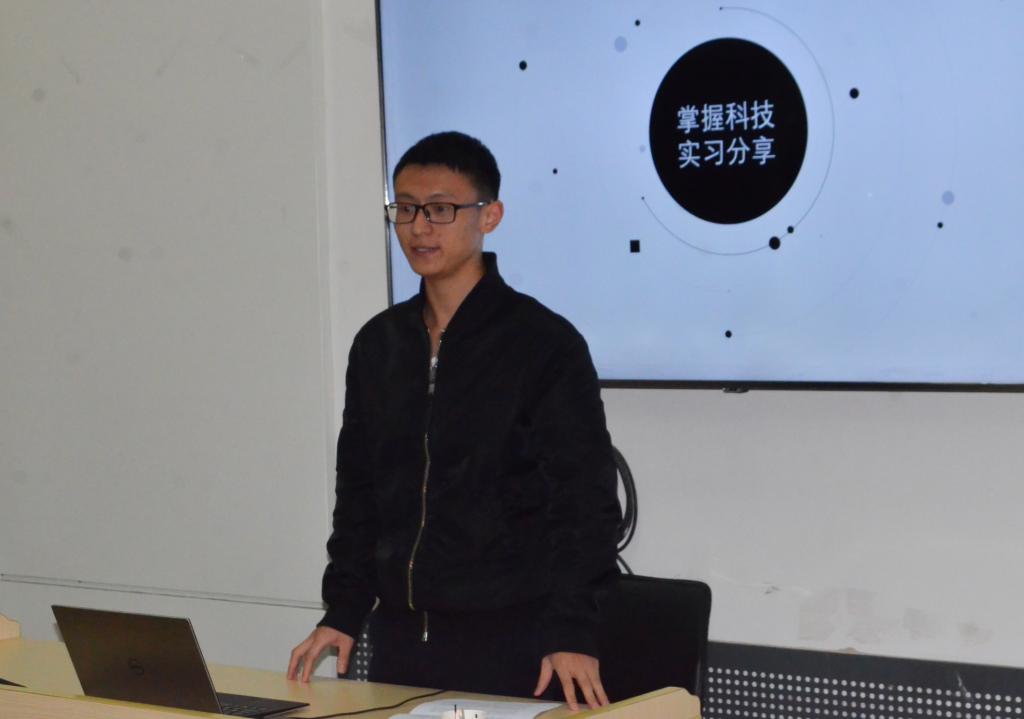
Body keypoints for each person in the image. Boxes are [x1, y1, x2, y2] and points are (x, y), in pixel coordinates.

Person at [287, 131, 620, 711]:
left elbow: (584, 503)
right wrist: (343, 609)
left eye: (440, 209)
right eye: (405, 208)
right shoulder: (379, 345)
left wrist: (572, 628)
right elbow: (359, 494)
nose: (419, 227)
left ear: (489, 216)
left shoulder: (542, 343)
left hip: (515, 642)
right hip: (399, 641)